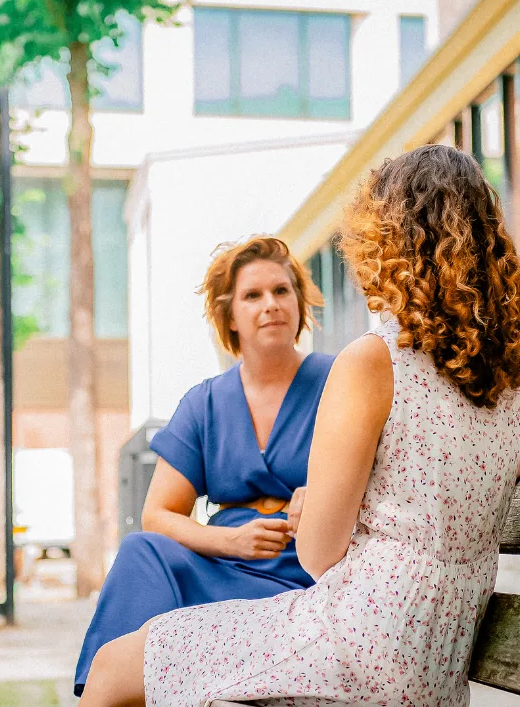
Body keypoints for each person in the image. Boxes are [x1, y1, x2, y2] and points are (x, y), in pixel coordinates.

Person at [79, 145, 520, 707]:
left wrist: (312, 508)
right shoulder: (510, 373)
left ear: (386, 243)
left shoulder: (372, 362)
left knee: (116, 666)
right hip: (437, 657)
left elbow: (317, 555)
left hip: (361, 643)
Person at [75, 235, 335, 695]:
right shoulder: (205, 403)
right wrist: (228, 541)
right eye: (252, 295)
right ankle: (105, 690)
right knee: (141, 549)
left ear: (298, 301)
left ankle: (114, 694)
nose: (270, 304)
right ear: (229, 315)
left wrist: (325, 495)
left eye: (281, 290)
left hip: (307, 577)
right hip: (221, 567)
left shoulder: (340, 381)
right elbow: (159, 515)